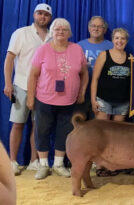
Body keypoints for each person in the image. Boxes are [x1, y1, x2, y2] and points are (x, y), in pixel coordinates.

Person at [27, 18, 88, 180]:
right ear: (51, 32)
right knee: (42, 131)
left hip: (69, 101)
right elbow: (33, 75)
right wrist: (30, 97)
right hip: (44, 99)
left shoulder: (77, 49)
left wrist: (82, 92)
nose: (60, 32)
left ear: (70, 33)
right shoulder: (42, 50)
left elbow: (84, 73)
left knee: (65, 132)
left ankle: (59, 164)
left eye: (64, 29)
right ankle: (43, 165)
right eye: (57, 29)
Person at [3, 3, 52, 175]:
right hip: (22, 85)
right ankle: (12, 161)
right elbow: (9, 59)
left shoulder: (53, 36)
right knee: (18, 124)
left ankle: (33, 161)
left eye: (46, 15)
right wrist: (8, 83)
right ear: (34, 15)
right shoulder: (21, 33)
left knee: (38, 126)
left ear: (50, 18)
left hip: (44, 89)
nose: (42, 17)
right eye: (39, 13)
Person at [91, 28, 131, 176]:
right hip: (103, 100)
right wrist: (93, 99)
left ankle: (113, 165)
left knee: (117, 135)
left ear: (126, 41)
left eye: (123, 39)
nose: (119, 41)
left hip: (122, 102)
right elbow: (94, 79)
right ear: (113, 40)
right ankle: (99, 164)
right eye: (117, 38)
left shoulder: (130, 57)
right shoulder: (104, 55)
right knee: (101, 134)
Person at [76, 16, 113, 120]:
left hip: (102, 95)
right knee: (80, 127)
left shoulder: (111, 46)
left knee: (98, 130)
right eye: (93, 26)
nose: (96, 29)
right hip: (81, 93)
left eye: (99, 27)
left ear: (105, 30)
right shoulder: (79, 46)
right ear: (89, 28)